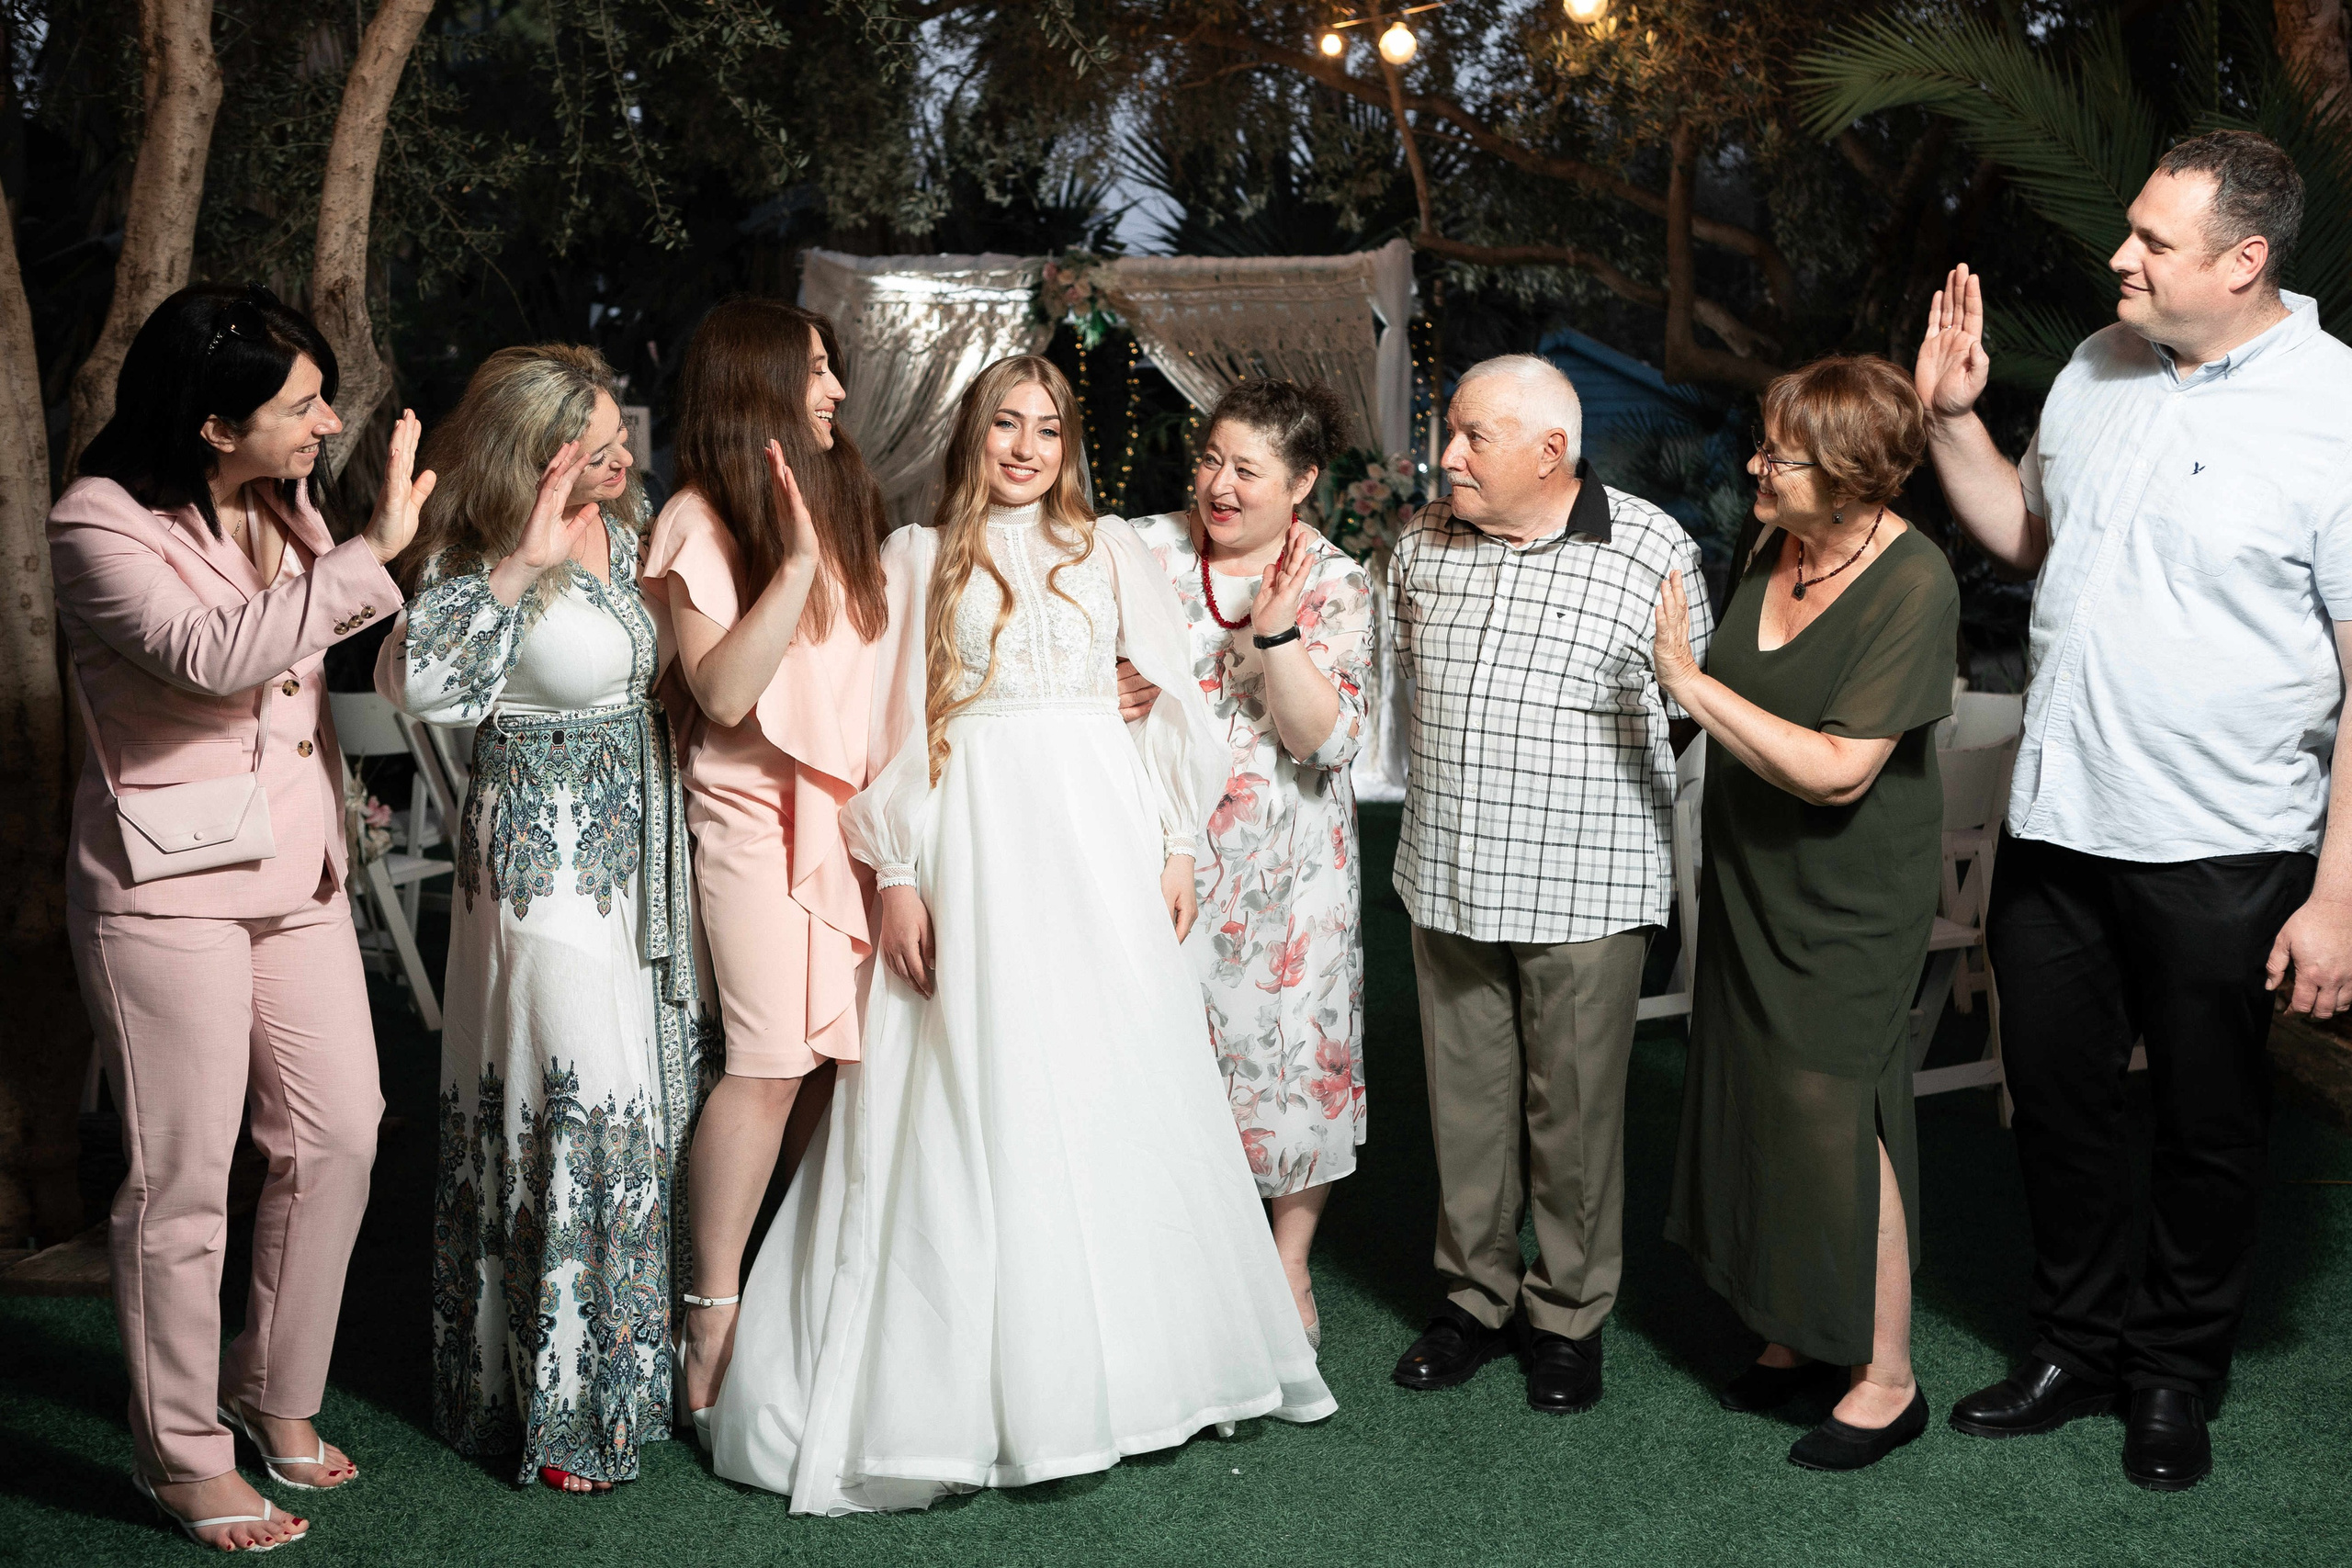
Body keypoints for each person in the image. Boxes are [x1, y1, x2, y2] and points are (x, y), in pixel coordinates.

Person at [710, 355, 1334, 1514]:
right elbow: (892, 725)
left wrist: (1176, 843)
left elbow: (1170, 711)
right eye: (1006, 423)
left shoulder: (1113, 553)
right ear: (974, 433)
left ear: (1069, 447)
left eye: (1047, 429)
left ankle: (1133, 1367)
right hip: (971, 841)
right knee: (969, 1085)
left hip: (1095, 840)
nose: (1025, 447)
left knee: (1109, 1076)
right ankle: (973, 1387)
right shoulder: (913, 555)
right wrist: (896, 873)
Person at [1916, 130, 2352, 1492]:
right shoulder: (2101, 371)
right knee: (2053, 1102)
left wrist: (2338, 892)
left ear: (2245, 260)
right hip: (2060, 816)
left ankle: (2174, 1372)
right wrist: (1947, 420)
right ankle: (2075, 1346)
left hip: (2230, 842)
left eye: (2155, 240)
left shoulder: (2335, 411)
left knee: (2210, 1123)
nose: (2120, 256)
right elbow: (2033, 537)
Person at [52, 283, 429, 1551]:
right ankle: (182, 1451)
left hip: (297, 872)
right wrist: (371, 553)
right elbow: (213, 656)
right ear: (216, 425)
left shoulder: (287, 497)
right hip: (168, 891)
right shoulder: (95, 524)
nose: (328, 417)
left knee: (343, 1134)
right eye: (304, 401)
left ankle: (272, 1390)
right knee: (182, 1183)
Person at [379, 344, 711, 1494]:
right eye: (596, 445)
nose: (622, 458)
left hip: (634, 861)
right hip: (537, 866)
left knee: (635, 1097)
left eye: (622, 437)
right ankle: (554, 1403)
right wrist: (520, 562)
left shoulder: (633, 531)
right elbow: (416, 686)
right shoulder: (473, 560)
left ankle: (620, 1380)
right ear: (534, 453)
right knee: (570, 1097)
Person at [1387, 354, 1711, 1415]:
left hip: (1585, 890)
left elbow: (1682, 710)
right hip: (1448, 877)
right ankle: (1473, 1300)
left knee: (1571, 1119)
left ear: (1549, 451)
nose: (1448, 455)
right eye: (1451, 432)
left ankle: (1568, 1316)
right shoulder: (1421, 543)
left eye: (1472, 436)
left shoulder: (1651, 545)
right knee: (1467, 1113)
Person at [1654, 355, 1960, 1472]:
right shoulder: (1773, 546)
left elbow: (1837, 772)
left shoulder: (1915, 579)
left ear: (1846, 476)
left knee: (1839, 1114)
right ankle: (1791, 1330)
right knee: (1756, 1096)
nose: (1753, 465)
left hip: (1844, 895)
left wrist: (1689, 683)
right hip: (1746, 874)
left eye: (1778, 455)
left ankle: (1886, 1375)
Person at [639, 299, 890, 1439]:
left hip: (845, 822)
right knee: (769, 1063)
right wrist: (790, 564)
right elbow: (728, 693)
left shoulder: (839, 499)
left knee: (832, 1066)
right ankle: (711, 1311)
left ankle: (775, 1283)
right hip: (748, 820)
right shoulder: (699, 520)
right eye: (818, 372)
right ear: (762, 389)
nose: (835, 391)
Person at [1123, 378, 1374, 1348]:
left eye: (1246, 469)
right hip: (1154, 851)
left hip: (1287, 870)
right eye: (1209, 458)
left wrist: (1274, 638)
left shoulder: (1337, 583)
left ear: (1302, 482)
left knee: (1291, 1059)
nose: (1217, 485)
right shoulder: (1141, 550)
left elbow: (1326, 743)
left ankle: (1288, 1270)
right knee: (1161, 1047)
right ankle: (1172, 1256)